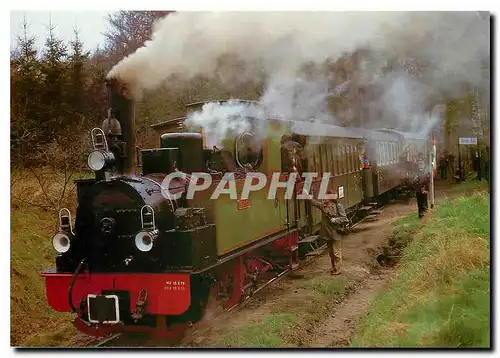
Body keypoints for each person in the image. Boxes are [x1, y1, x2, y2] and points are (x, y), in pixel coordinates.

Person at [303, 188, 349, 275]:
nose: (325, 197)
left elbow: (344, 218)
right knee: (331, 252)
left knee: (336, 252)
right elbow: (313, 202)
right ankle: (333, 267)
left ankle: (338, 269)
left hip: (336, 232)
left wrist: (336, 220)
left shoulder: (338, 206)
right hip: (328, 233)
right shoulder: (323, 206)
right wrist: (306, 195)